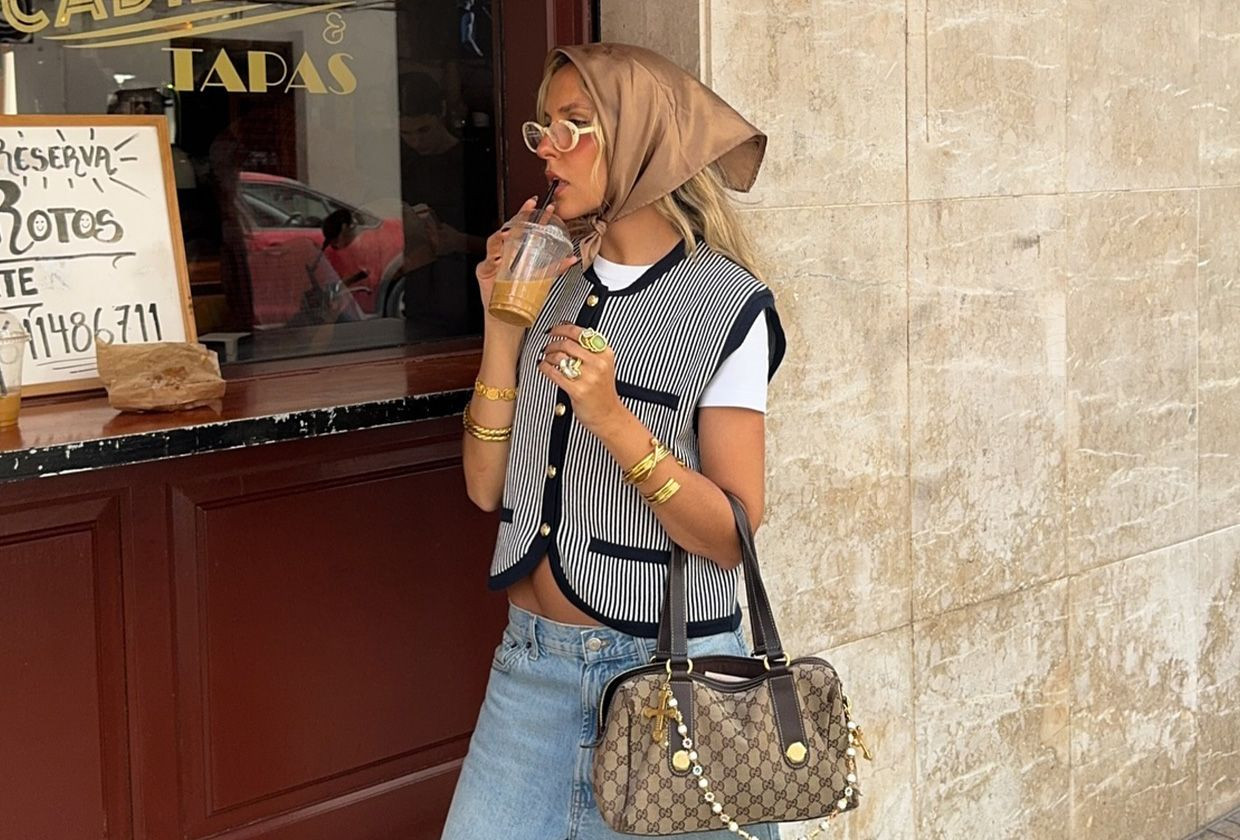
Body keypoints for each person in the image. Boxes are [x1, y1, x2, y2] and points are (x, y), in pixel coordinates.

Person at [443, 44, 786, 840]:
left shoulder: (729, 305)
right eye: (544, 126)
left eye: (576, 125)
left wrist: (615, 423)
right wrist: (502, 326)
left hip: (673, 684)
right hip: (530, 671)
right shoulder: (552, 280)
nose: (547, 147)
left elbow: (733, 535)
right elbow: (485, 488)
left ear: (643, 142)